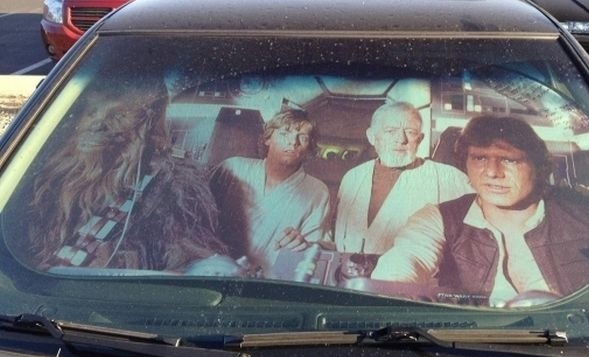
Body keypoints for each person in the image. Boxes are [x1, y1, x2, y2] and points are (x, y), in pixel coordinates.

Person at [372, 114, 589, 307]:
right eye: (480, 158)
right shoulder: (438, 219)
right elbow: (402, 265)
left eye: (508, 159)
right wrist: (393, 290)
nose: (492, 172)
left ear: (538, 166)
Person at [28, 81, 227, 273]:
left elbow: (187, 258)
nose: (98, 125)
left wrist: (118, 262)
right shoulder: (45, 177)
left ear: (147, 124)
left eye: (118, 116)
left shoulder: (169, 186)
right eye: (91, 112)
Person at [333, 101, 470, 254]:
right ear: (372, 137)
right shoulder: (353, 178)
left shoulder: (449, 179)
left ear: (420, 139)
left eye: (410, 132)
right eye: (390, 131)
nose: (401, 139)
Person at [209, 108, 330, 276]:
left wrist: (303, 244)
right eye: (285, 133)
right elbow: (197, 219)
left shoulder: (317, 191)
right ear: (268, 139)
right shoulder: (233, 168)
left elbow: (315, 248)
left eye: (303, 137)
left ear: (309, 148)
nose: (293, 142)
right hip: (215, 271)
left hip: (270, 280)